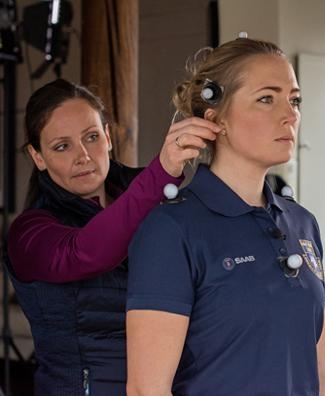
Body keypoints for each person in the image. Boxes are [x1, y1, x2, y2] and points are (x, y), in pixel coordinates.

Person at [125, 37, 325, 395]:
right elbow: (147, 390)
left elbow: (322, 367)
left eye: (294, 99)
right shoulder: (172, 229)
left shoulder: (302, 222)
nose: (289, 114)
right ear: (216, 118)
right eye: (266, 99)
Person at [6, 79, 221, 394]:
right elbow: (86, 252)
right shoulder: (28, 233)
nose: (83, 156)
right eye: (62, 146)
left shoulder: (156, 196)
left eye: (91, 137)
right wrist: (160, 172)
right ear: (38, 156)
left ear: (107, 137)